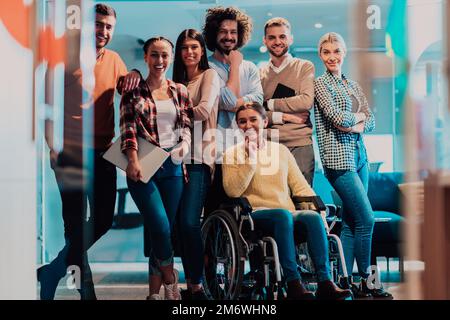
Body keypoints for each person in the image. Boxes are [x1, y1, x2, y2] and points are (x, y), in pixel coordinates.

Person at [38, 3, 140, 300]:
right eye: (98, 25)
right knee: (74, 224)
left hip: (102, 152)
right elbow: (47, 107)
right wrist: (52, 147)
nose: (103, 32)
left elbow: (128, 91)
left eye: (108, 27)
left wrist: (134, 73)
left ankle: (52, 271)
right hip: (69, 152)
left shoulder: (115, 59)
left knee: (104, 220)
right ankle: (87, 293)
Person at [221, 102, 352, 300]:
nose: (248, 125)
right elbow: (232, 190)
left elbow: (300, 186)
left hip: (285, 214)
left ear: (264, 122)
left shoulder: (280, 151)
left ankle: (325, 282)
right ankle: (293, 282)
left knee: (311, 218)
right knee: (282, 215)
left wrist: (319, 210)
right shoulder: (231, 154)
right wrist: (252, 158)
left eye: (253, 119)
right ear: (238, 126)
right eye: (242, 121)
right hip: (255, 215)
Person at [314, 32, 392, 298]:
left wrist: (355, 121)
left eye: (336, 51)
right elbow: (337, 118)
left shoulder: (353, 85)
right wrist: (357, 121)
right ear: (321, 55)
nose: (332, 56)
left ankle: (345, 282)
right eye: (326, 52)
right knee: (367, 220)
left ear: (343, 53)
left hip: (360, 157)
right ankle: (369, 283)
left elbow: (370, 121)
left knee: (351, 223)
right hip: (339, 160)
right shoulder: (320, 84)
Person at [120, 36, 192, 300]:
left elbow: (186, 124)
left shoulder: (180, 90)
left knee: (160, 231)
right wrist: (133, 160)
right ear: (146, 57)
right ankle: (171, 281)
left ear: (171, 57)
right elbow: (127, 128)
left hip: (173, 167)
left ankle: (153, 293)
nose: (159, 61)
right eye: (154, 55)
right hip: (143, 165)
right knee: (160, 227)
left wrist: (185, 144)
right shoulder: (133, 90)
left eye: (164, 55)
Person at [172, 29, 220, 300]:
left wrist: (172, 108)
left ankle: (198, 286)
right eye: (184, 47)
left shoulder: (209, 76)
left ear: (202, 50)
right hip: (177, 158)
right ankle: (190, 284)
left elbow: (203, 111)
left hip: (200, 158)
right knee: (178, 224)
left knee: (190, 222)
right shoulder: (176, 80)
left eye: (194, 47)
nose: (189, 52)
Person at [260, 17, 315, 186]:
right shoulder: (259, 74)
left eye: (282, 36)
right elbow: (258, 115)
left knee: (303, 205)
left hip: (300, 144)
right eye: (272, 37)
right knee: (273, 205)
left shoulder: (304, 67)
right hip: (270, 145)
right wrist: (287, 117)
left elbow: (306, 101)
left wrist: (270, 103)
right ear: (265, 41)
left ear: (290, 38)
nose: (277, 41)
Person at [202, 6, 263, 159]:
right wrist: (235, 65)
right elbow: (228, 102)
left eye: (233, 32)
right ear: (214, 34)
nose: (228, 37)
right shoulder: (206, 69)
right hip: (218, 149)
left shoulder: (249, 67)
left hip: (247, 147)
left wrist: (237, 103)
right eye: (223, 31)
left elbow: (259, 100)